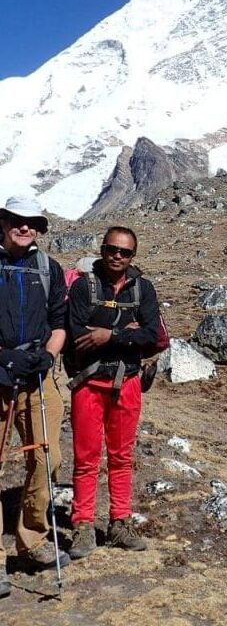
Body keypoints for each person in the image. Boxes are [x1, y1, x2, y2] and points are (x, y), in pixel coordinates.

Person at [67, 226, 160, 559]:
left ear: (133, 256)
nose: (117, 256)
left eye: (125, 252)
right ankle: (82, 525)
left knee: (122, 458)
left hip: (128, 384)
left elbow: (151, 333)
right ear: (102, 250)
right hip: (89, 384)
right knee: (86, 458)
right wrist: (129, 332)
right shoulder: (83, 287)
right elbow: (76, 332)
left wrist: (109, 335)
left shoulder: (143, 289)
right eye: (112, 249)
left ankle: (119, 522)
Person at [0, 196, 69, 598]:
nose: (26, 228)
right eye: (18, 220)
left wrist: (48, 354)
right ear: (4, 221)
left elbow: (59, 322)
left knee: (48, 458)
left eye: (33, 223)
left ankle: (33, 540)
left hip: (37, 375)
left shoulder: (48, 269)